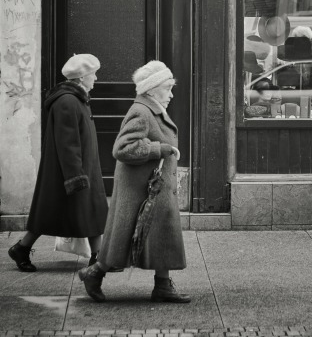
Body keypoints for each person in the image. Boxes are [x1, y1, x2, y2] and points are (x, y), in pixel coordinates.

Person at [78, 60, 190, 304]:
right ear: (151, 89)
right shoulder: (141, 111)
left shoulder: (153, 107)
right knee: (124, 236)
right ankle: (94, 273)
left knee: (163, 232)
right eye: (167, 88)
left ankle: (162, 285)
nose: (171, 94)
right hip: (139, 189)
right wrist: (160, 148)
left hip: (151, 186)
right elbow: (123, 148)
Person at [8, 54, 108, 271]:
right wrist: (75, 175)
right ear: (81, 78)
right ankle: (22, 248)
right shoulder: (68, 101)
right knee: (54, 212)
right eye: (93, 74)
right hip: (72, 170)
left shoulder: (75, 98)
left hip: (80, 167)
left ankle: (98, 256)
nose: (97, 79)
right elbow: (68, 142)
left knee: (87, 210)